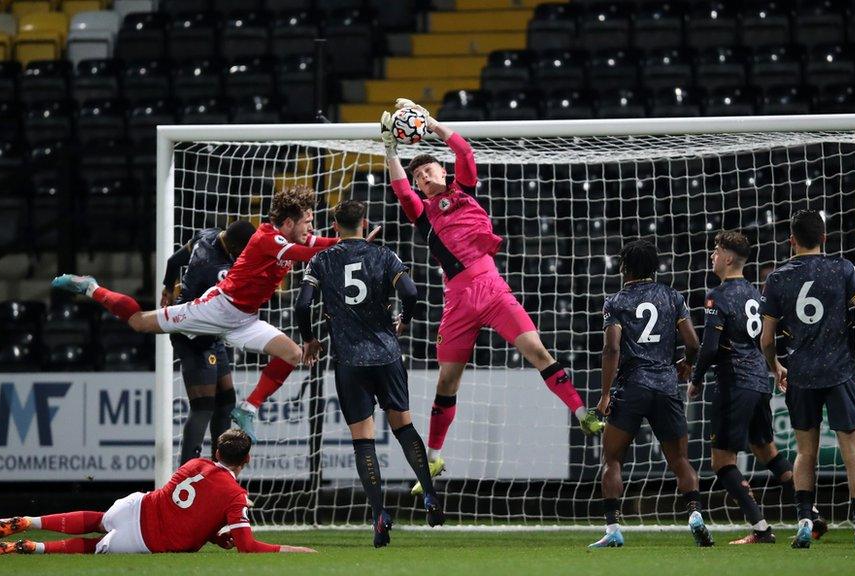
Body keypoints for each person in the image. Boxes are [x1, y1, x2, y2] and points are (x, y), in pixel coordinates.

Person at [381, 98, 603, 494]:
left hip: (491, 287)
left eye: (428, 171)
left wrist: (429, 122)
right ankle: (433, 459)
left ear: (442, 171)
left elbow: (464, 149)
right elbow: (399, 189)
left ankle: (582, 412)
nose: (423, 178)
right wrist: (390, 149)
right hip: (458, 299)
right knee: (447, 382)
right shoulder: (424, 214)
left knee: (537, 352)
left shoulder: (464, 189)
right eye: (419, 177)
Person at [51, 186, 377, 442]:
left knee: (294, 354)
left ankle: (248, 409)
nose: (312, 227)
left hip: (245, 320)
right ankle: (91, 287)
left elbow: (322, 242)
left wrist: (352, 241)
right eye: (308, 221)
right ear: (289, 222)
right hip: (215, 309)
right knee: (140, 323)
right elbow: (306, 252)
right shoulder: (267, 237)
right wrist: (347, 245)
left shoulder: (295, 235)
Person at [295, 200, 444, 547]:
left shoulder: (322, 260)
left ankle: (379, 514)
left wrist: (309, 339)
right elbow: (411, 291)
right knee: (404, 427)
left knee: (364, 440)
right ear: (364, 222)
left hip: (350, 361)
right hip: (387, 354)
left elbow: (303, 304)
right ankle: (430, 496)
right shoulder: (384, 255)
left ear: (334, 225)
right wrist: (404, 320)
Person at [760, 209, 855, 549]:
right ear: (823, 238)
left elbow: (766, 339)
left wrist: (776, 367)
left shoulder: (776, 278)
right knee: (853, 449)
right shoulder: (842, 269)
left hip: (801, 373)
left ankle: (805, 518)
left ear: (791, 241)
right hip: (839, 372)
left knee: (805, 452)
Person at [690, 231, 827, 544]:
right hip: (759, 383)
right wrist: (774, 366)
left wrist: (696, 380)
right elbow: (765, 338)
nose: (712, 256)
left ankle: (761, 529)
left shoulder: (718, 296)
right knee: (767, 450)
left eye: (715, 251)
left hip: (734, 383)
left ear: (727, 258)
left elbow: (710, 348)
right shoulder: (756, 294)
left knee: (721, 462)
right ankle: (812, 514)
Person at [0, 430, 315, 555]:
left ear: (216, 450)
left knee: (99, 520)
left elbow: (189, 508)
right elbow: (247, 546)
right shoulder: (234, 494)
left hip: (135, 506)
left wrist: (213, 535)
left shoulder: (194, 464)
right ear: (247, 459)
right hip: (145, 540)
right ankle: (32, 547)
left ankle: (28, 520)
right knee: (95, 547)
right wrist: (293, 550)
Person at [590, 239, 713, 549]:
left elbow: (612, 347)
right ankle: (695, 514)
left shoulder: (615, 301)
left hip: (631, 386)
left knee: (613, 459)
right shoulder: (674, 297)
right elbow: (695, 344)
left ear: (625, 268)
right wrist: (686, 364)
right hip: (666, 385)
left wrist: (605, 395)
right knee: (680, 460)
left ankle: (614, 528)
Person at [162, 220, 255, 464]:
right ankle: (183, 478)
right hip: (192, 336)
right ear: (235, 246)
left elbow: (173, 262)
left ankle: (220, 471)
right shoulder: (212, 264)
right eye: (243, 251)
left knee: (226, 402)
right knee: (203, 406)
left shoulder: (207, 234)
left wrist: (166, 287)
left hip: (210, 334)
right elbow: (190, 301)